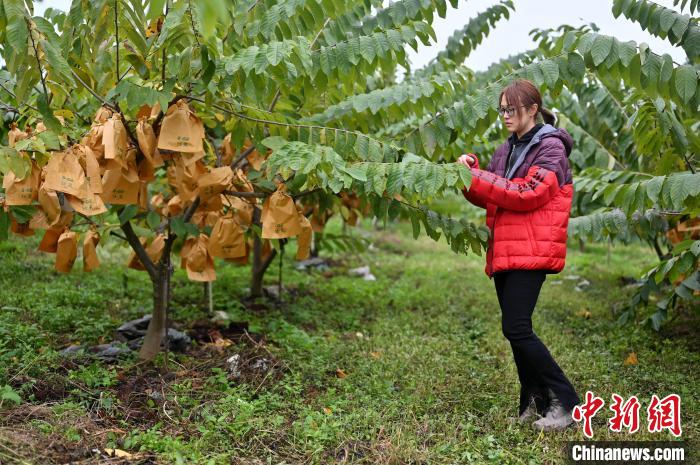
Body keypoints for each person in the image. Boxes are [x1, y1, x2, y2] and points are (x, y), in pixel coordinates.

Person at [457, 78, 581, 432]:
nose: (505, 115)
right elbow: (489, 194)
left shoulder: (551, 148)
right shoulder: (505, 150)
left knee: (516, 326)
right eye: (502, 110)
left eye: (510, 109)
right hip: (505, 247)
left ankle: (568, 402)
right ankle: (534, 399)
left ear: (531, 109)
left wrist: (478, 177)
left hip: (533, 248)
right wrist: (468, 175)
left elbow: (529, 192)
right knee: (515, 330)